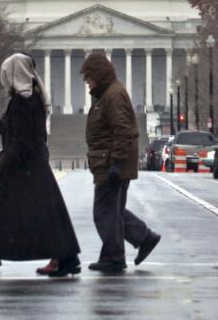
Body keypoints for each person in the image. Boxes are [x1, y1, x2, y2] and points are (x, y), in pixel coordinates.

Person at [0, 53, 81, 277]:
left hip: (23, 170)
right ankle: (67, 258)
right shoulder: (34, 98)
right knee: (48, 216)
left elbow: (21, 139)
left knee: (2, 217)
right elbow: (29, 132)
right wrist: (4, 128)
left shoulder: (21, 101)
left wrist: (5, 163)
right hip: (34, 167)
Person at [82, 52, 161, 273]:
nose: (87, 82)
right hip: (108, 160)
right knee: (112, 210)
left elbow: (123, 131)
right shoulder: (106, 94)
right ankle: (142, 239)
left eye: (88, 77)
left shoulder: (113, 96)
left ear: (97, 74)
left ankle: (115, 256)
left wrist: (116, 163)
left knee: (104, 211)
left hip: (111, 162)